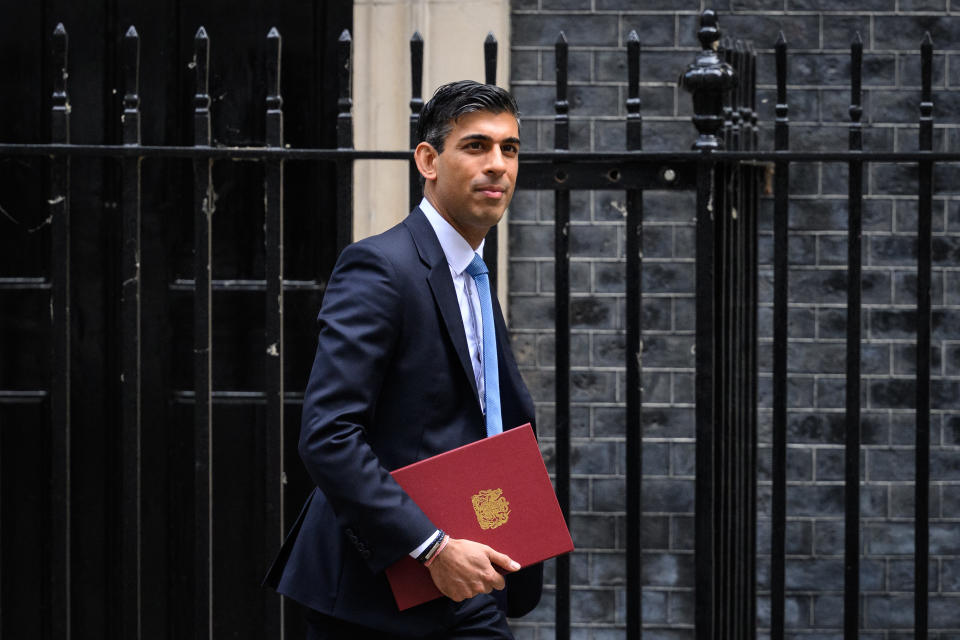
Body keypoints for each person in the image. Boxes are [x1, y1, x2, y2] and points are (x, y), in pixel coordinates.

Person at [264, 80, 542, 639]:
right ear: (428, 160)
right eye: (476, 146)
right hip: (381, 593)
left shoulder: (474, 277)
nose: (497, 165)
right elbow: (328, 434)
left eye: (508, 149)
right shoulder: (379, 268)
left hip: (473, 580)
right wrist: (431, 547)